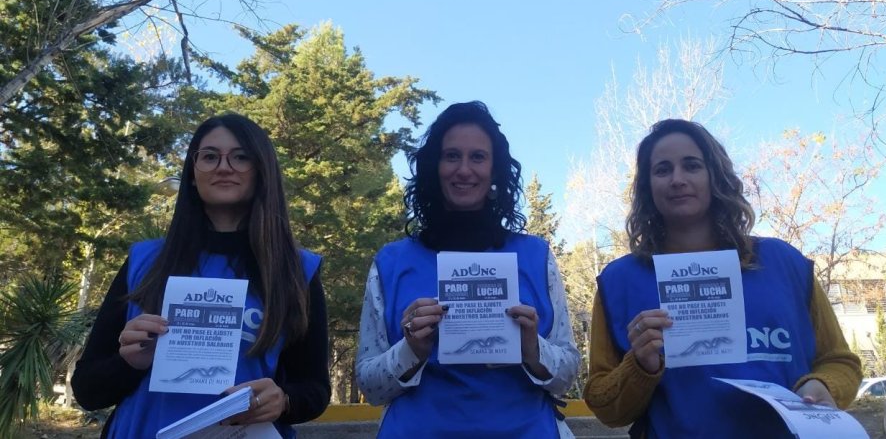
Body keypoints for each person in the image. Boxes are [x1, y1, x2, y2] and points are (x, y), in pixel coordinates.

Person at [584, 119, 862, 439]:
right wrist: (641, 366)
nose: (677, 179)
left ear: (715, 176)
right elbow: (604, 406)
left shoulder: (785, 263)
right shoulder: (619, 282)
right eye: (662, 170)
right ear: (647, 187)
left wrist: (823, 385)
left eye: (692, 166)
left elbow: (840, 362)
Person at [72, 113, 330, 438]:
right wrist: (128, 364)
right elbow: (87, 390)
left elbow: (315, 389)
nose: (224, 167)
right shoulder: (144, 261)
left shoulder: (296, 270)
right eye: (209, 157)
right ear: (193, 174)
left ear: (262, 171)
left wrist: (284, 401)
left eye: (241, 157)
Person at [356, 101, 579, 438]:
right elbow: (370, 386)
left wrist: (532, 349)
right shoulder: (391, 263)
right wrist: (410, 351)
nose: (464, 170)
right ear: (434, 167)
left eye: (477, 157)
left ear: (495, 170)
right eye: (451, 156)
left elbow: (568, 375)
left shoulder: (537, 256)